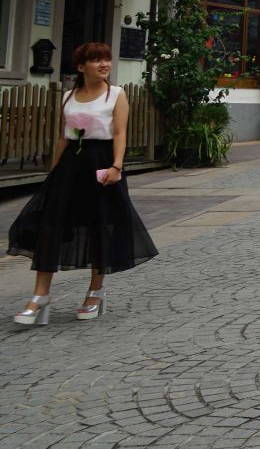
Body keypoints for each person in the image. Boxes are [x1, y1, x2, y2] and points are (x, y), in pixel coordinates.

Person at [10, 43, 158, 326]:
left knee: (100, 224)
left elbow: (120, 132)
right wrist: (53, 171)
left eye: (107, 60)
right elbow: (64, 137)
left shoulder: (116, 94)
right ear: (81, 67)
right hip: (70, 166)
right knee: (50, 226)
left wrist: (117, 166)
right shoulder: (68, 96)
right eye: (96, 60)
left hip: (102, 163)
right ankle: (40, 297)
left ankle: (95, 292)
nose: (104, 65)